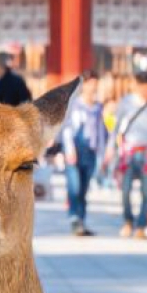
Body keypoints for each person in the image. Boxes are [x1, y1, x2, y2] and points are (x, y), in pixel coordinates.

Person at [113, 72, 147, 238]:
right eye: (144, 87)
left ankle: (141, 225)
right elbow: (116, 128)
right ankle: (128, 221)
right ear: (137, 86)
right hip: (129, 151)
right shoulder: (126, 102)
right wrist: (111, 149)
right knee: (125, 189)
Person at [60, 73, 108, 235]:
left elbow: (100, 132)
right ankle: (74, 218)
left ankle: (81, 220)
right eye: (90, 84)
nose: (93, 88)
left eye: (95, 84)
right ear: (84, 85)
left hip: (90, 151)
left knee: (84, 189)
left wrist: (102, 152)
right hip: (75, 150)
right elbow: (67, 128)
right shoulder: (74, 104)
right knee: (74, 186)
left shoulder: (98, 107)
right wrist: (69, 149)